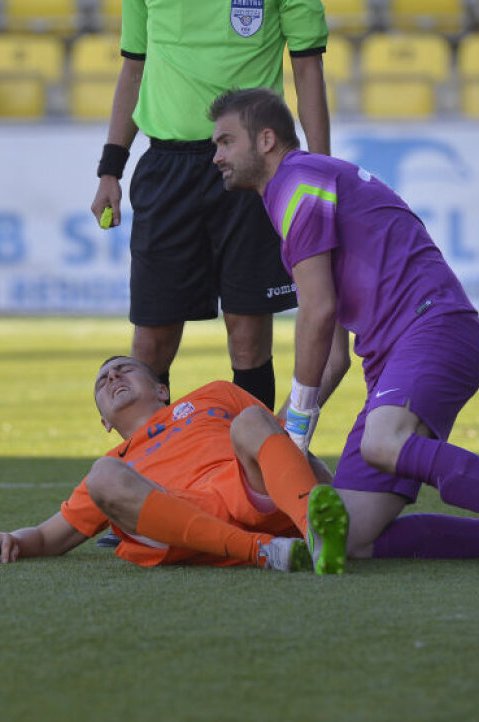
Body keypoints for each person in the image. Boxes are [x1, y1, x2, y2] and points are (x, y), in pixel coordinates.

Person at [207, 87, 479, 570]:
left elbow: (317, 311)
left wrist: (294, 432)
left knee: (382, 441)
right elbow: (333, 355)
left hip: (431, 327)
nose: (216, 157)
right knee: (348, 535)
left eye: (226, 142)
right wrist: (283, 437)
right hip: (402, 349)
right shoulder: (297, 188)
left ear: (266, 139)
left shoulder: (297, 181)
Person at [89, 0, 331, 413]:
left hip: (252, 169)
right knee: (151, 343)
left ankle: (249, 471)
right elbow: (133, 69)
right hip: (166, 170)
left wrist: (322, 172)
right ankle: (154, 468)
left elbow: (307, 71)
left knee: (248, 336)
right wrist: (111, 168)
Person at [0, 355, 351, 573]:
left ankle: (313, 531)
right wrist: (11, 539)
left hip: (251, 490)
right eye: (102, 382)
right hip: (179, 520)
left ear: (162, 390)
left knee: (252, 420)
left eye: (124, 369)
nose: (113, 378)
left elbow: (278, 437)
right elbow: (46, 537)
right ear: (105, 422)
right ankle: (261, 550)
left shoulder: (214, 394)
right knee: (102, 476)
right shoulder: (117, 461)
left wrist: (319, 479)